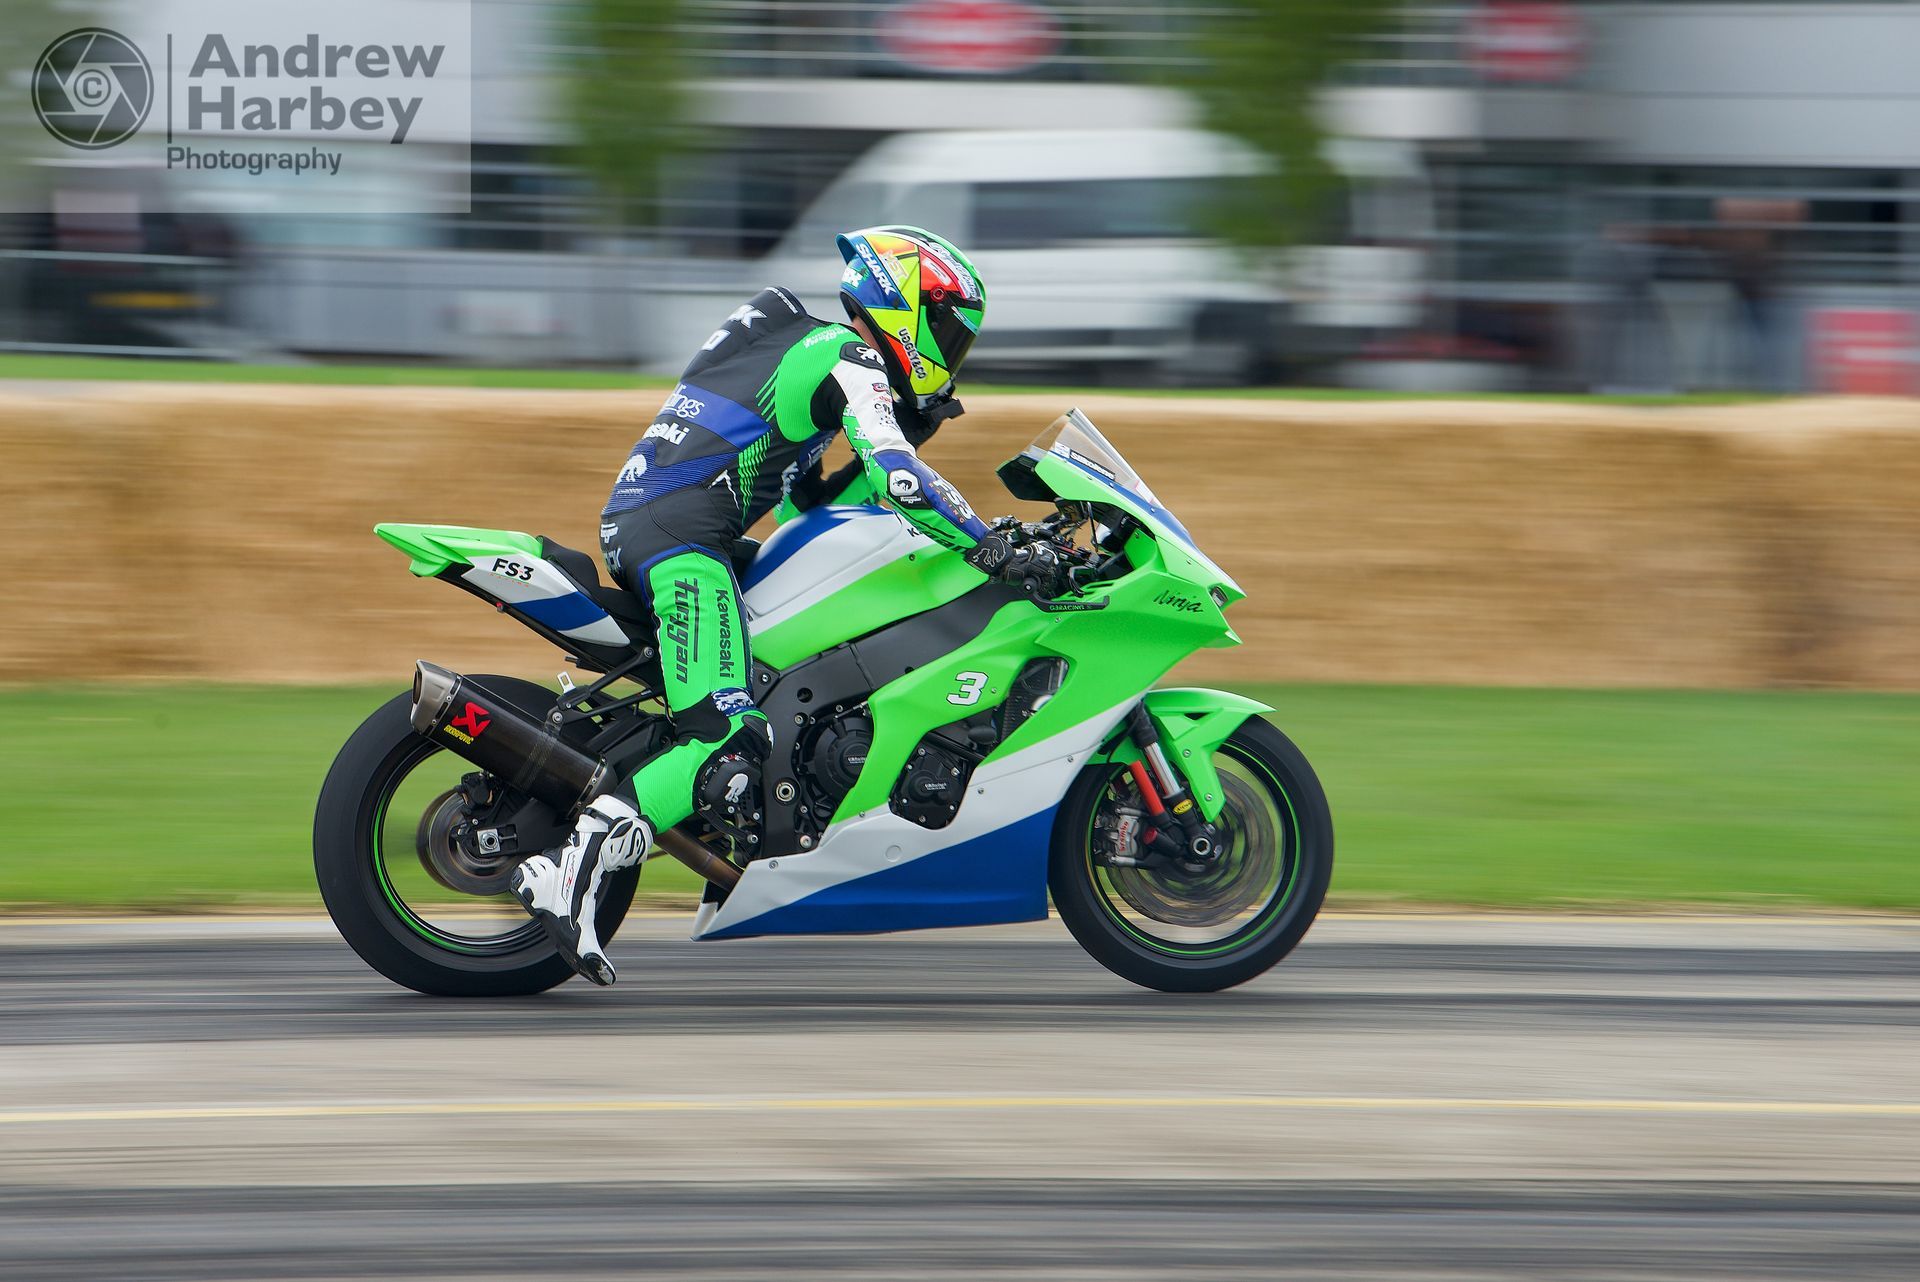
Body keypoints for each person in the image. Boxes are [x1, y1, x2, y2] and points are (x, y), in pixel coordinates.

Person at [511, 225, 1055, 985]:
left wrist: (912, 431)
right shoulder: (850, 356)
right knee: (730, 732)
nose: (953, 352)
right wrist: (991, 543)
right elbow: (897, 481)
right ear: (910, 309)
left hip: (669, 530)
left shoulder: (803, 345)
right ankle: (567, 876)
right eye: (951, 330)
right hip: (682, 541)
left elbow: (815, 502)